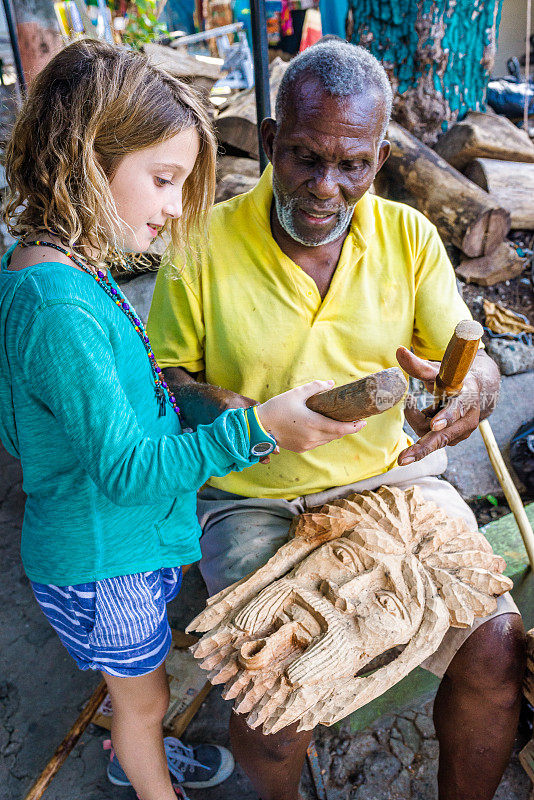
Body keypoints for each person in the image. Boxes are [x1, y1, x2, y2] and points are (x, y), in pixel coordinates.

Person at [147, 39, 526, 800]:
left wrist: (469, 391)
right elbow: (167, 380)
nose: (325, 187)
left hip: (398, 481)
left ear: (381, 156)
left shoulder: (410, 238)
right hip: (254, 497)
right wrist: (245, 418)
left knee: (495, 649)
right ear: (269, 134)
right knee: (274, 701)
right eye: (302, 158)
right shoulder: (199, 242)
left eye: (352, 164)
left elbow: (473, 358)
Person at [0, 40, 364, 800]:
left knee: (132, 685)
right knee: (147, 697)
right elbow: (129, 472)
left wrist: (190, 406)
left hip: (112, 547)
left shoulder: (65, 269)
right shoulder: (57, 304)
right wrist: (257, 427)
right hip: (106, 562)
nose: (173, 205)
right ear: (85, 160)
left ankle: (134, 749)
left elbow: (45, 426)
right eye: (163, 180)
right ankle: (148, 773)